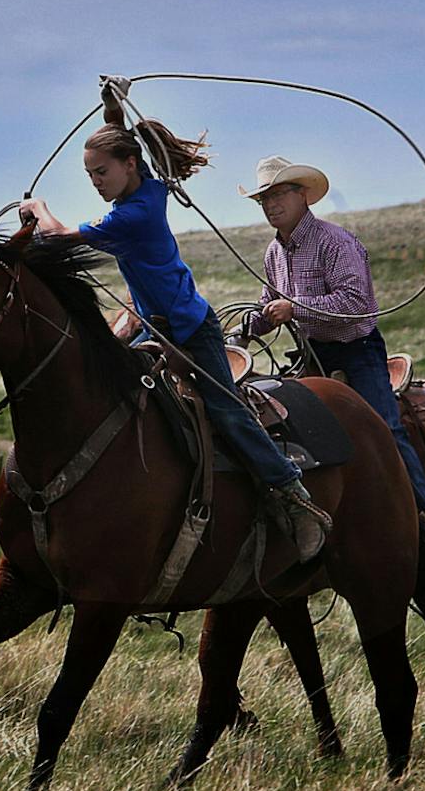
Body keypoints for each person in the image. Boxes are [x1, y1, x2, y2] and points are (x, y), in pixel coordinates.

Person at [17, 83, 331, 562]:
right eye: (89, 174)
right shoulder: (142, 186)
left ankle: (294, 497)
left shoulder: (134, 216)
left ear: (127, 167)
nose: (95, 181)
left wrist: (37, 210)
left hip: (189, 329)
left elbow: (59, 236)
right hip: (153, 324)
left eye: (101, 172)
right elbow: (120, 139)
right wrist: (112, 107)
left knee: (227, 412)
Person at [231, 156, 425, 534]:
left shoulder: (334, 242)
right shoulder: (274, 253)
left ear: (303, 196)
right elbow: (270, 305)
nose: (270, 204)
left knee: (386, 429)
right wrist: (246, 329)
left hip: (357, 351)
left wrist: (295, 308)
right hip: (311, 353)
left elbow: (356, 304)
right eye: (263, 199)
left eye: (278, 194)